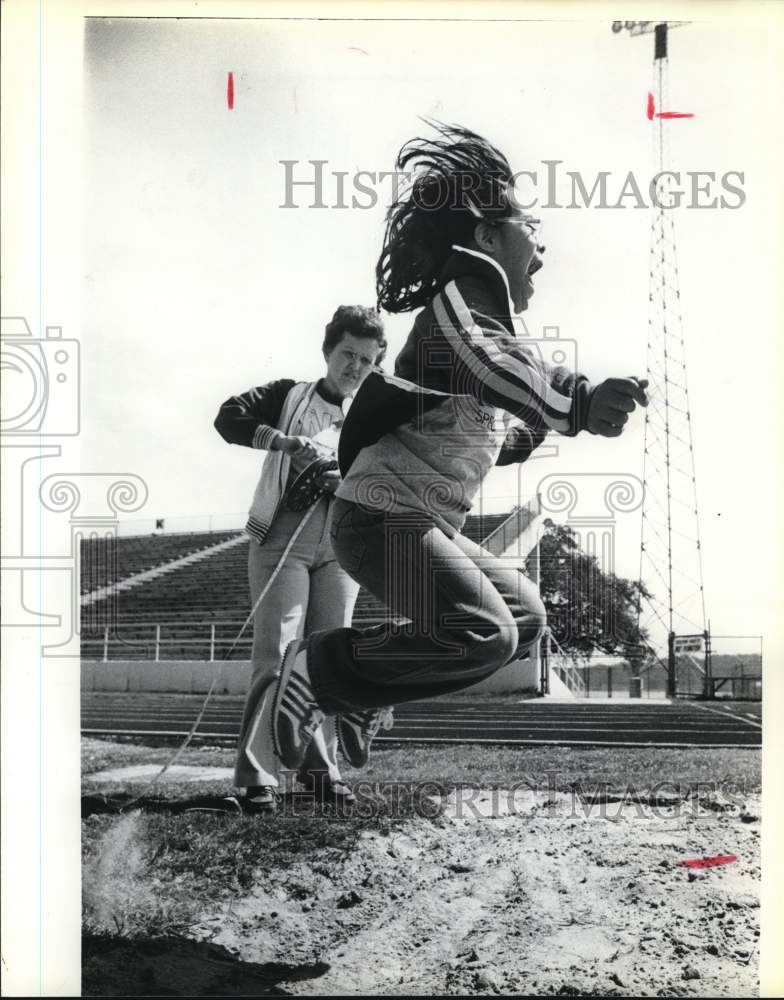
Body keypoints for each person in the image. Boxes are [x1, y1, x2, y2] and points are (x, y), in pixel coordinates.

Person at [269, 122, 650, 773]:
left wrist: (534, 427)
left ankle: (361, 698)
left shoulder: (493, 326)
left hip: (413, 520)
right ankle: (320, 667)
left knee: (525, 616)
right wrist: (577, 403)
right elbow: (490, 363)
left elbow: (493, 401)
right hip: (378, 519)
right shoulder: (458, 306)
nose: (543, 252)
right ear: (486, 235)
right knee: (486, 632)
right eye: (532, 227)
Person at [214, 305, 387, 813]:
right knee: (279, 652)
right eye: (348, 354)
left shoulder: (374, 417)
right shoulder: (288, 395)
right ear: (327, 352)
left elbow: (387, 480)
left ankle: (319, 769)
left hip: (341, 543)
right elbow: (228, 416)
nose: (356, 367)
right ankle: (256, 776)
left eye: (367, 360)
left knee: (328, 656)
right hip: (283, 536)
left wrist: (347, 480)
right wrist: (285, 443)